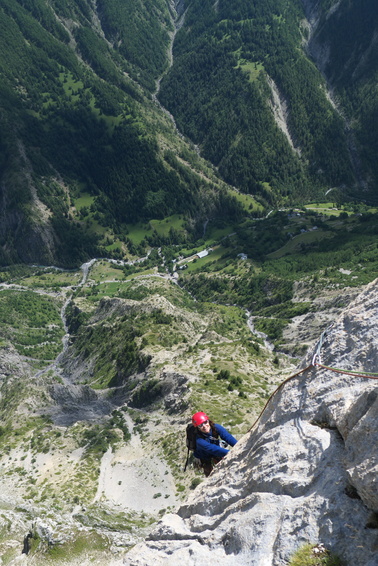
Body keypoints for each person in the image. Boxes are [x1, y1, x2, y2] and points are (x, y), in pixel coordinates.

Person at [192, 411, 237, 476]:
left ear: (208, 421)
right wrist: (231, 453)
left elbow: (228, 437)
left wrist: (238, 446)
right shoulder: (199, 440)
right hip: (204, 456)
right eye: (200, 425)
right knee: (209, 472)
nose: (204, 426)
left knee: (224, 467)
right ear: (197, 428)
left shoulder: (216, 427)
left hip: (215, 448)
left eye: (205, 422)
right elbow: (213, 449)